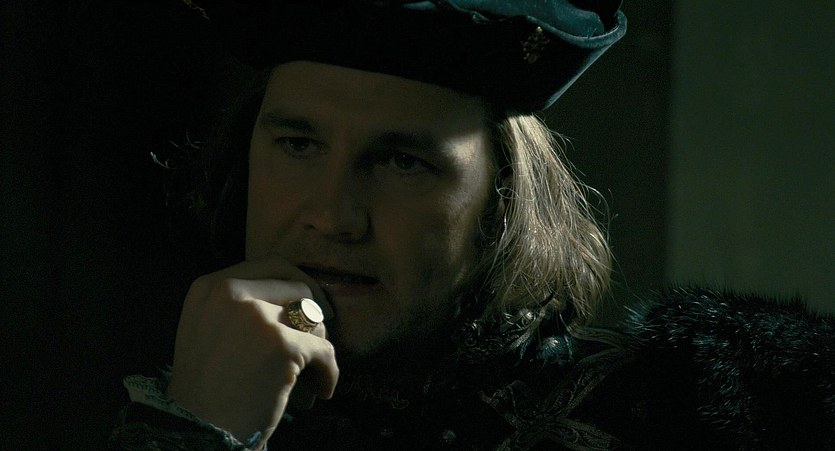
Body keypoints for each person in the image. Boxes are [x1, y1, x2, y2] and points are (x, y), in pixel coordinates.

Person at [110, 1, 834, 449]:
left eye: (402, 162)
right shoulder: (207, 388)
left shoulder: (694, 419)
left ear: (503, 201)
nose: (332, 216)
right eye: (298, 145)